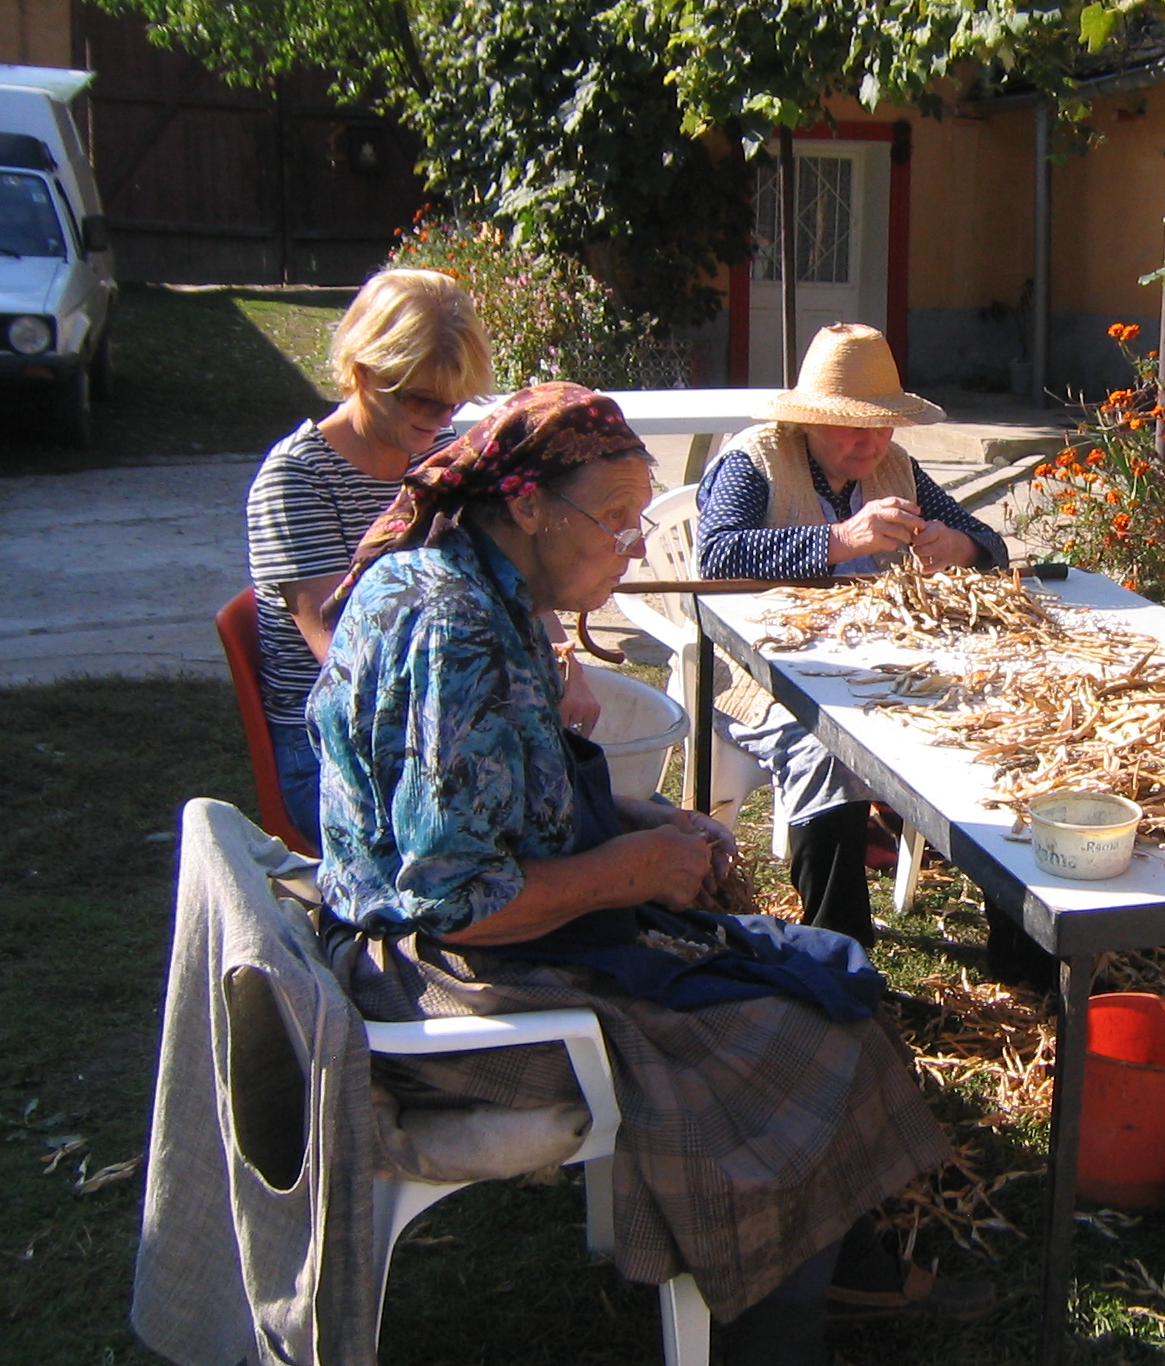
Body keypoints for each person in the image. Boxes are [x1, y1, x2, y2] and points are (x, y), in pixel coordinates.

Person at [308, 383, 982, 1364]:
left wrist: (638, 818)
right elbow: (458, 900)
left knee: (822, 967)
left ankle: (823, 1268)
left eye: (638, 519)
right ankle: (778, 1315)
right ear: (526, 504)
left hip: (478, 935)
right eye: (615, 521)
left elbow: (492, 806)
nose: (633, 547)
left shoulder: (463, 581)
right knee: (805, 1023)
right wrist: (632, 869)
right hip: (440, 986)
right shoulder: (454, 632)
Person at [245, 269, 605, 841]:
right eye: (422, 400)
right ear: (362, 373)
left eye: (454, 404)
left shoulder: (444, 458)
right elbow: (348, 656)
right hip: (337, 747)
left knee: (590, 817)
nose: (441, 420)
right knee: (528, 843)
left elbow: (516, 577)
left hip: (449, 708)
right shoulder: (296, 480)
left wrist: (562, 664)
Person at [695, 323, 1008, 944]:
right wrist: (839, 541)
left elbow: (990, 543)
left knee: (993, 730)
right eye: (850, 423)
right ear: (810, 417)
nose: (868, 441)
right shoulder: (754, 460)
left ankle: (1019, 945)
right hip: (765, 671)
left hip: (884, 666)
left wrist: (961, 545)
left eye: (881, 422)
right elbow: (719, 557)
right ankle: (841, 949)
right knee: (826, 751)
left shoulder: (894, 467)